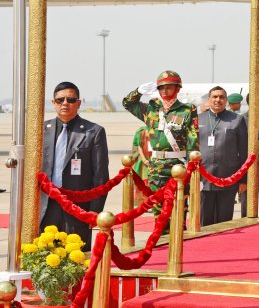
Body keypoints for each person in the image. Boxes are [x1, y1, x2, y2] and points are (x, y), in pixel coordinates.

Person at [41, 82, 109, 251]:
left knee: (76, 259)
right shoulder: (41, 130)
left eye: (70, 99)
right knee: (45, 257)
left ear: (78, 103)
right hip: (47, 205)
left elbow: (100, 174)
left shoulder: (93, 131)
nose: (65, 103)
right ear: (53, 103)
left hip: (78, 207)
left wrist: (95, 210)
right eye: (60, 100)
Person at [123, 70, 199, 219]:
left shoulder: (187, 110)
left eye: (169, 87)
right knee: (158, 211)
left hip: (178, 165)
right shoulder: (150, 109)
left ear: (177, 89)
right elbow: (127, 103)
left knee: (178, 209)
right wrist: (137, 92)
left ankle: (177, 240)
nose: (165, 90)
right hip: (156, 167)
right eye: (161, 88)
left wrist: (192, 169)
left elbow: (193, 139)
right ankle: (161, 241)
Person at [199, 86, 248, 226]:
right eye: (214, 97)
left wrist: (243, 179)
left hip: (228, 178)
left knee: (225, 223)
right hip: (203, 179)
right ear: (209, 99)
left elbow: (244, 151)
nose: (218, 100)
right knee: (204, 222)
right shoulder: (198, 120)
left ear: (226, 100)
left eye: (221, 97)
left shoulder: (237, 120)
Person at [131, 126, 151, 206]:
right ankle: (143, 203)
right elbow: (139, 146)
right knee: (144, 182)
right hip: (143, 162)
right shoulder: (141, 131)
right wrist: (144, 160)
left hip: (155, 160)